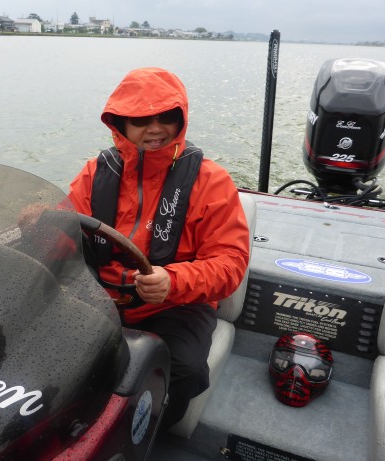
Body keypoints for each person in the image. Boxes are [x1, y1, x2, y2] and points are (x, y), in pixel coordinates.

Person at [68, 67, 250, 430]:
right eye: (140, 118)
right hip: (100, 294)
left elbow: (231, 263)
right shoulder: (94, 172)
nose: (155, 128)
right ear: (120, 123)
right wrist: (34, 223)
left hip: (176, 303)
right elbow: (64, 228)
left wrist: (174, 279)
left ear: (180, 119)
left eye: (166, 117)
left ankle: (152, 429)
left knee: (179, 368)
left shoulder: (211, 181)